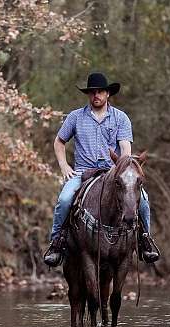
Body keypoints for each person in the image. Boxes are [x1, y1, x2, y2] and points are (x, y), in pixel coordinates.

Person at [43, 72, 160, 267]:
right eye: (92, 92)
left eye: (100, 92)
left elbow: (125, 149)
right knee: (64, 200)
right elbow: (59, 142)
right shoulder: (75, 117)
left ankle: (145, 240)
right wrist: (64, 166)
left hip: (112, 172)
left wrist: (122, 168)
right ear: (88, 95)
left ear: (107, 94)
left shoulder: (120, 118)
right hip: (82, 172)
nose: (96, 95)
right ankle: (57, 242)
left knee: (143, 202)